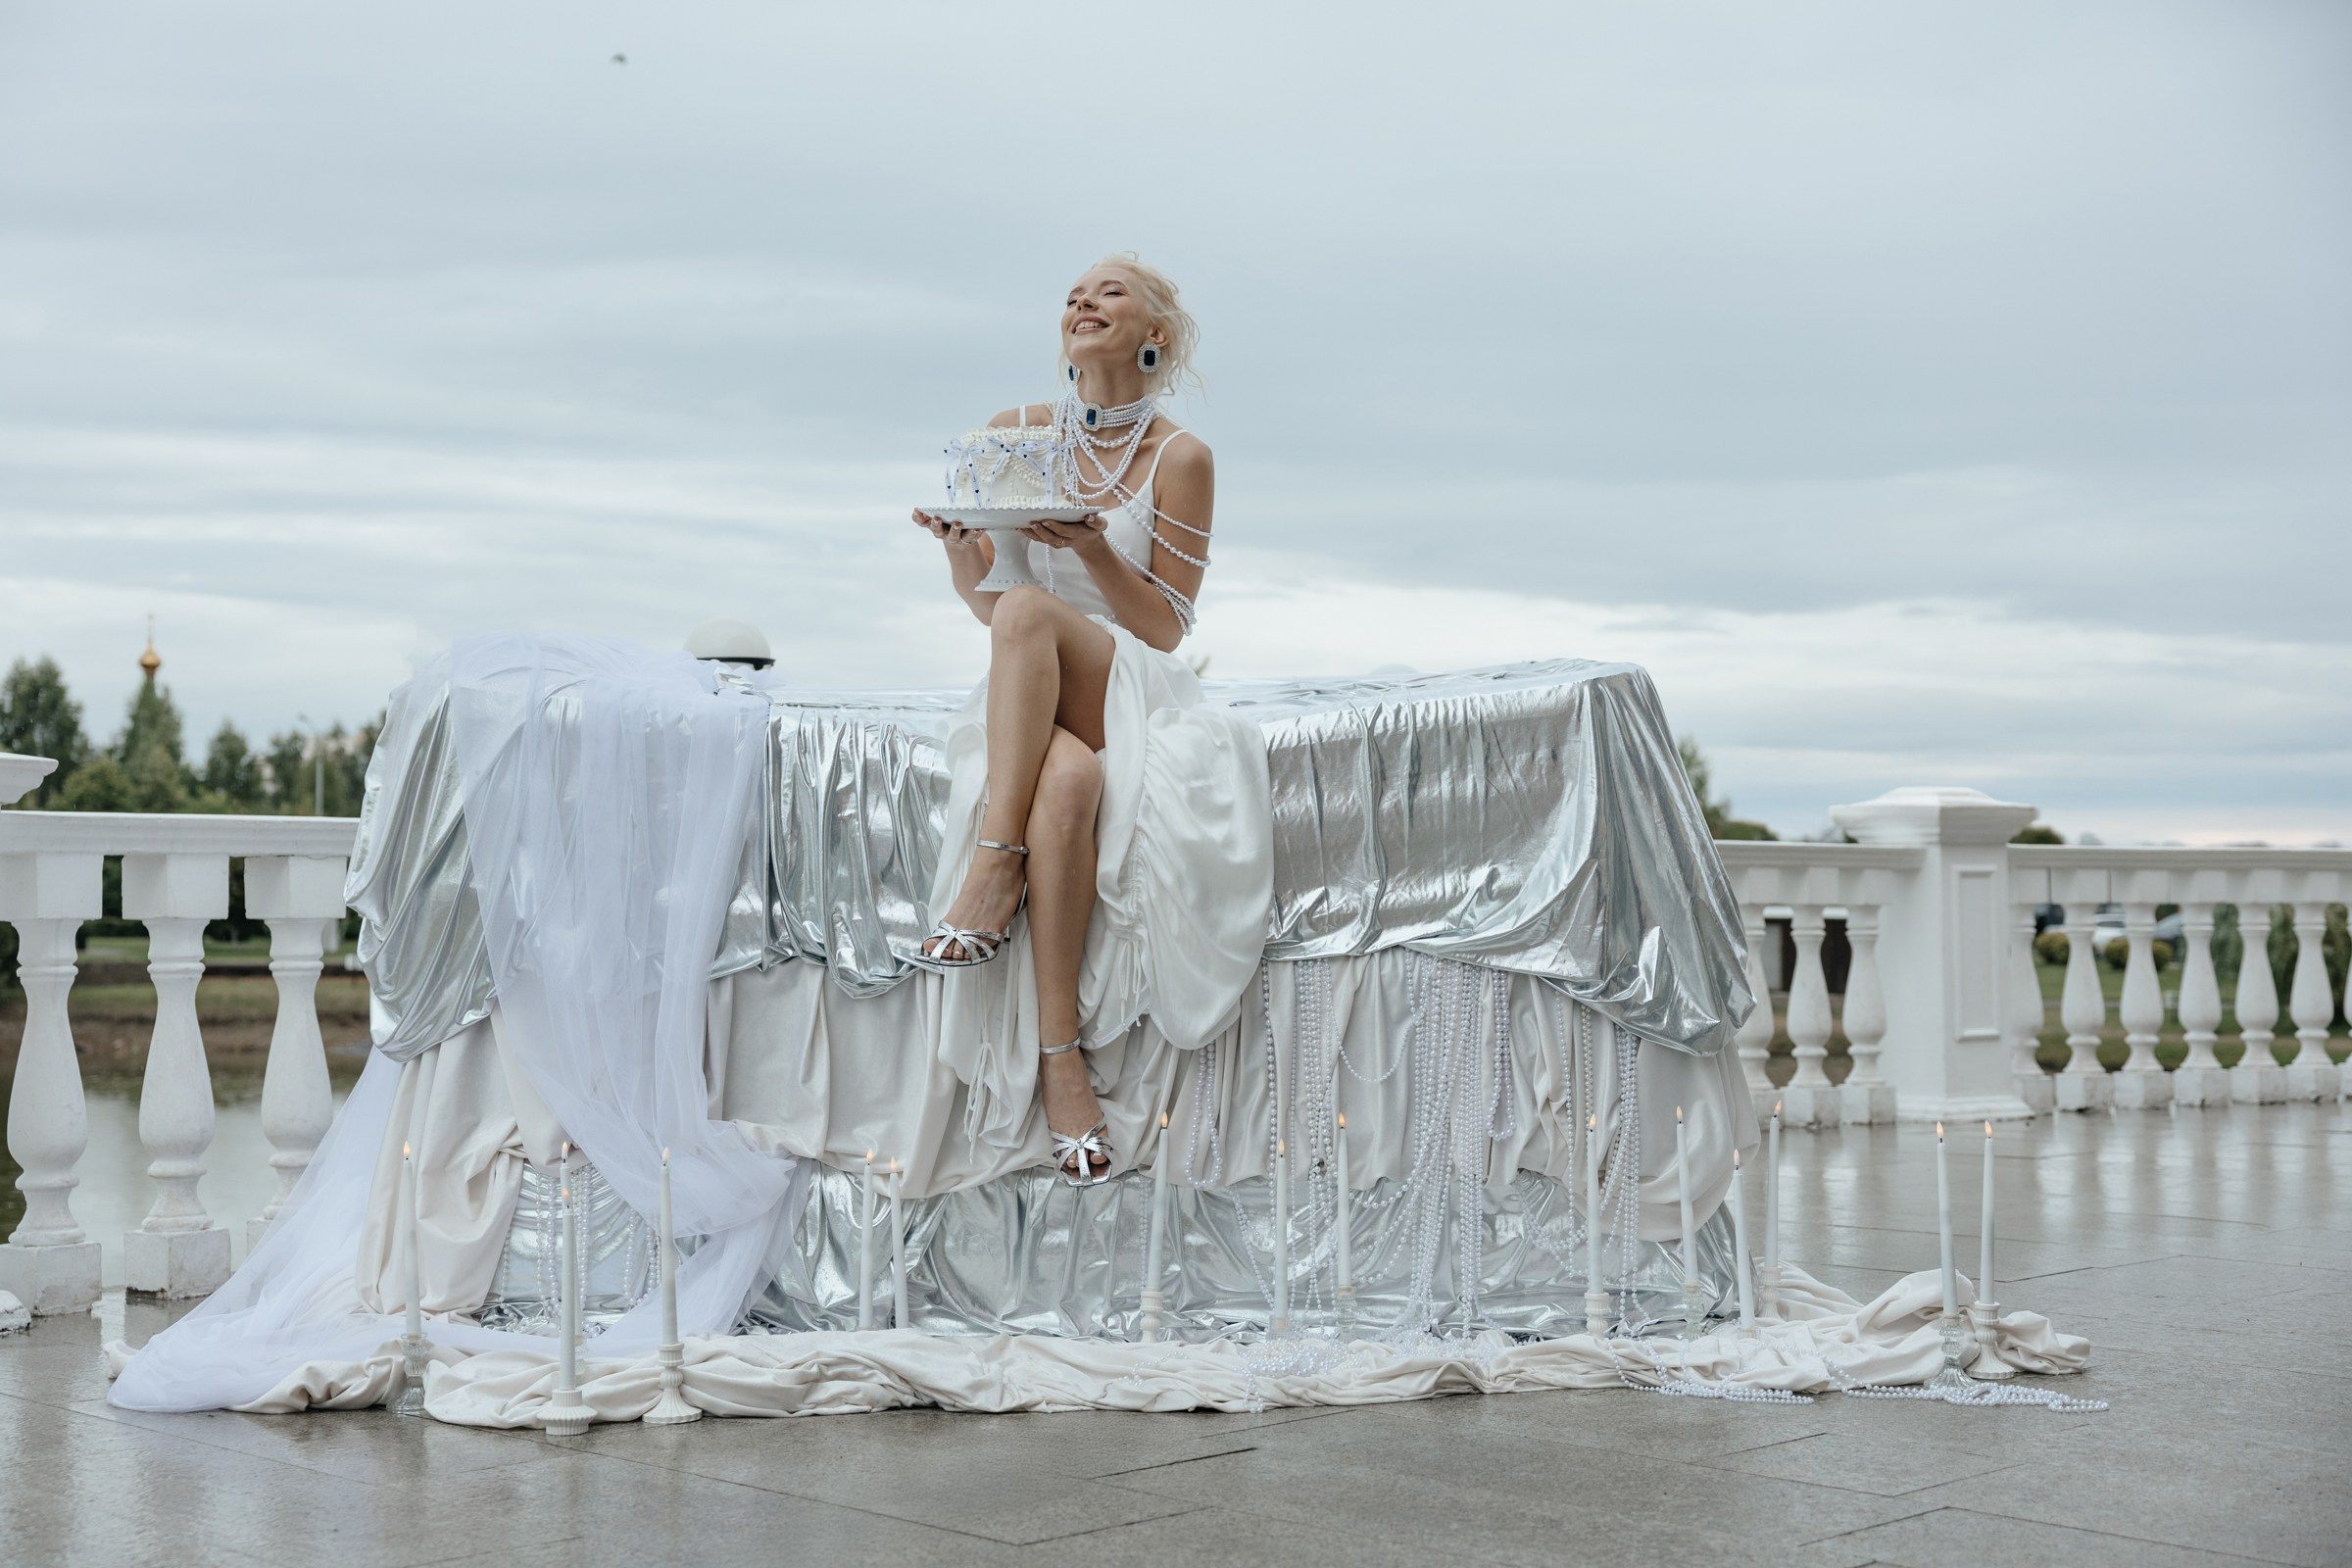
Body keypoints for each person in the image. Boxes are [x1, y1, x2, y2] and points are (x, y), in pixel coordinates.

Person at [912, 253, 1251, 1186]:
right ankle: (1063, 1063)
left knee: (1032, 617)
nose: (1082, 302)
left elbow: (1167, 628)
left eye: (1110, 292)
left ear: (1157, 337)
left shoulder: (1181, 458)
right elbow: (995, 607)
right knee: (1065, 784)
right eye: (1072, 295)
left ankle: (992, 865)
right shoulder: (1015, 434)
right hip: (1040, 693)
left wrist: (1095, 553)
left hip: (1130, 683)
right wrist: (962, 555)